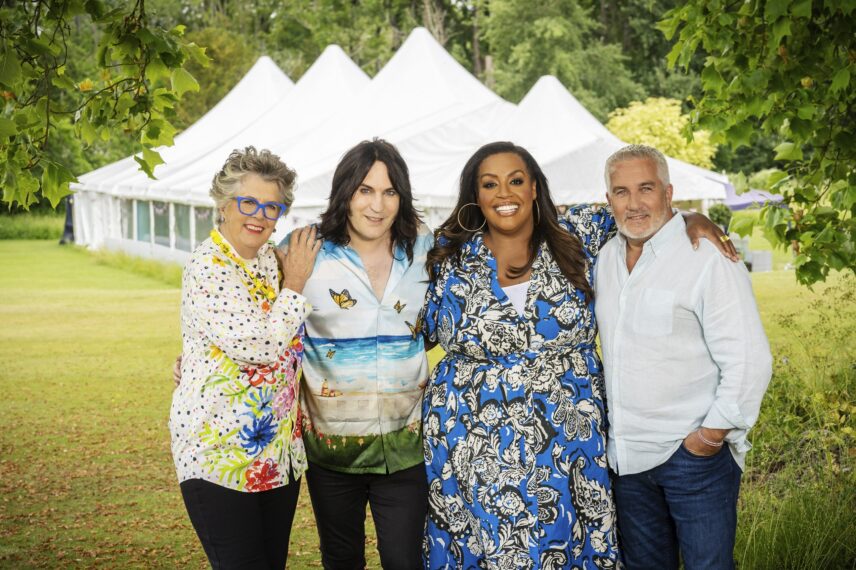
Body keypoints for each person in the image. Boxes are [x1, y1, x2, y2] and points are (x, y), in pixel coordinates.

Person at [420, 141, 734, 568]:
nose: (504, 194)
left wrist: (693, 217)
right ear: (476, 196)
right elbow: (418, 331)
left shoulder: (579, 233)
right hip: (473, 442)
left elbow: (643, 211)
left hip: (568, 442)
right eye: (489, 184)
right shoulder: (451, 254)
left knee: (567, 546)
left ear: (534, 187)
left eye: (516, 180)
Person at [594, 145, 773, 569]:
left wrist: (708, 439)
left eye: (646, 188)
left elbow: (750, 359)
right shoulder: (603, 260)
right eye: (621, 192)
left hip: (693, 460)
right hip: (627, 461)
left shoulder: (708, 258)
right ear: (608, 201)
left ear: (669, 192)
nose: (634, 203)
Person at [169, 147, 321, 569]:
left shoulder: (271, 262)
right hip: (219, 455)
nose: (259, 214)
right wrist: (296, 285)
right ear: (223, 203)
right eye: (248, 202)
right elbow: (258, 348)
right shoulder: (209, 265)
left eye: (272, 206)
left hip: (276, 454)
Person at [284, 139, 431, 569]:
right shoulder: (303, 249)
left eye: (389, 192)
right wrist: (200, 359)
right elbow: (261, 317)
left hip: (407, 448)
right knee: (342, 560)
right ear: (345, 192)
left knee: (405, 561)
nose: (377, 205)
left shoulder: (426, 251)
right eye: (365, 190)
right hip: (332, 453)